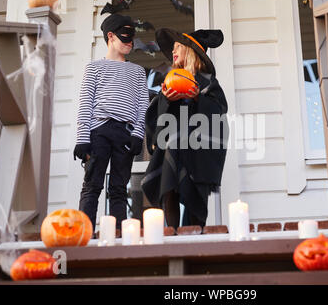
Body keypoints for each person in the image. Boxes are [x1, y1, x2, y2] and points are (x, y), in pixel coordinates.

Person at [141, 28, 228, 229]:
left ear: (190, 51)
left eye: (178, 47)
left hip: (199, 150)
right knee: (169, 183)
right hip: (173, 146)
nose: (173, 52)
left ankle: (195, 231)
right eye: (173, 48)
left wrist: (198, 98)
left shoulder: (208, 82)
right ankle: (171, 230)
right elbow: (157, 116)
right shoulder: (169, 82)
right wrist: (167, 101)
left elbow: (219, 111)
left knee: (195, 190)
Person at [73, 13, 149, 233]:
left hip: (125, 134)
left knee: (118, 187)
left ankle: (118, 234)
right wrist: (82, 139)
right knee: (92, 185)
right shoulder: (94, 68)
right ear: (111, 36)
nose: (130, 42)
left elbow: (142, 106)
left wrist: (137, 135)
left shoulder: (137, 72)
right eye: (125, 36)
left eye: (132, 38)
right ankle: (84, 234)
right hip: (99, 132)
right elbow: (86, 102)